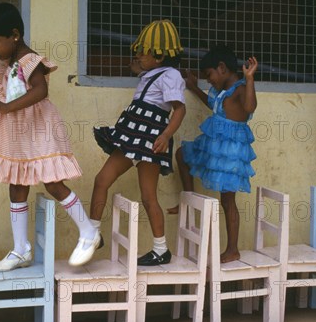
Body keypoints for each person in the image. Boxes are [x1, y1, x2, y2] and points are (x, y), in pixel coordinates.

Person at [0, 3, 99, 271]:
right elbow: (12, 87)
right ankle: (21, 250)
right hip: (19, 131)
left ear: (14, 35)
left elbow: (41, 91)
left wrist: (7, 107)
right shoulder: (10, 62)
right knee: (17, 184)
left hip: (39, 127)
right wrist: (2, 101)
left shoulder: (30, 60)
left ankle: (89, 232)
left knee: (54, 183)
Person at [91, 19, 187, 266]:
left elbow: (178, 109)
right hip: (133, 131)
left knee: (148, 196)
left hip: (150, 136)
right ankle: (92, 233)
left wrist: (165, 136)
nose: (138, 55)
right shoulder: (150, 72)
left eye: (143, 52)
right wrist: (139, 64)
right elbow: (139, 69)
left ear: (159, 56)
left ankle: (160, 249)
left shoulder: (172, 75)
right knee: (102, 180)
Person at [168, 45, 258, 263]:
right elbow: (213, 104)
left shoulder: (240, 88)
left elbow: (249, 107)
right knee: (182, 154)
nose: (210, 82)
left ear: (222, 68)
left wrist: (250, 80)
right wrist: (193, 86)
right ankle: (188, 199)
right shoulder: (221, 92)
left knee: (227, 201)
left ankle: (233, 249)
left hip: (230, 152)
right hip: (213, 145)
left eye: (210, 76)